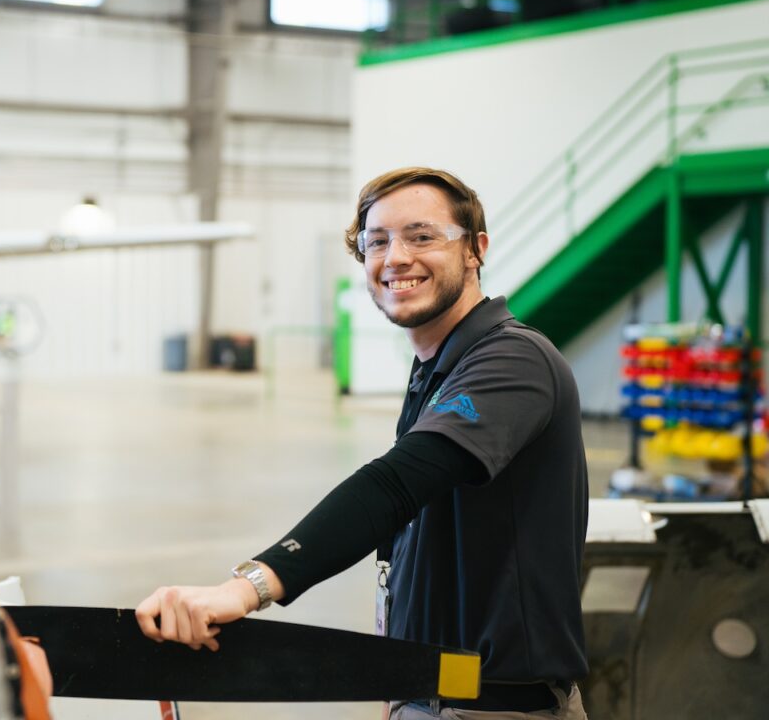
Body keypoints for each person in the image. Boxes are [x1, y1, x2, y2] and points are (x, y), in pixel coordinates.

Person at [135, 167, 589, 719]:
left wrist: (248, 586)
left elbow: (396, 482)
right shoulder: (436, 370)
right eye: (377, 242)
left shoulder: (514, 361)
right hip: (433, 696)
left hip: (494, 708)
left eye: (422, 236)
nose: (395, 257)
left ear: (475, 250)